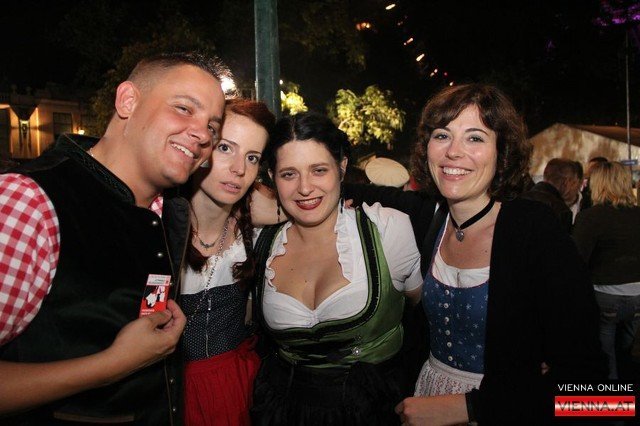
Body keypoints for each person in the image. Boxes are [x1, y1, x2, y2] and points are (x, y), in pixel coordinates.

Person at [343, 84, 605, 425]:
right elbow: (333, 189)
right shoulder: (428, 216)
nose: (454, 152)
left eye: (475, 138)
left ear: (502, 152)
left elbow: (600, 400)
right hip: (422, 400)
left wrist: (470, 408)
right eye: (442, 135)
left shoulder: (534, 230)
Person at [0, 52, 228, 425]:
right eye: (184, 109)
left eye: (213, 127)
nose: (203, 135)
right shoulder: (28, 202)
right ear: (127, 101)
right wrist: (111, 365)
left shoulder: (165, 210)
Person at [250, 112, 422, 425]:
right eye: (289, 174)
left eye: (319, 170)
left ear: (341, 167)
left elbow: (422, 315)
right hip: (283, 411)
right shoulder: (261, 241)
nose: (305, 188)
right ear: (272, 176)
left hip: (375, 410)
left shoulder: (386, 230)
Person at [180, 99, 274, 425]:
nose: (239, 169)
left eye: (252, 157)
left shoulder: (254, 229)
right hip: (170, 391)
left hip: (238, 387)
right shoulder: (160, 224)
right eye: (225, 148)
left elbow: (305, 196)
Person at [573, 161, 640, 380]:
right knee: (628, 353)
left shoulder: (591, 217)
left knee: (605, 354)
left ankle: (611, 399)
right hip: (638, 294)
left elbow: (577, 260)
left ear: (598, 184)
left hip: (605, 295)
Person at [520, 157, 577, 233]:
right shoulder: (562, 211)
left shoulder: (519, 199)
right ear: (566, 182)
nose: (575, 187)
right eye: (573, 182)